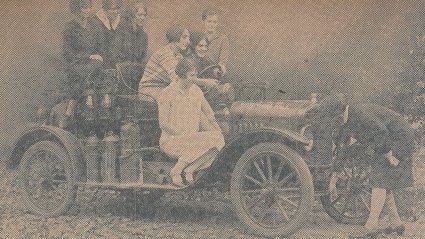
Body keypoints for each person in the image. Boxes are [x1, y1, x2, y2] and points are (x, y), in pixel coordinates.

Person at [309, 95, 415, 236]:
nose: (333, 124)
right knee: (383, 180)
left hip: (399, 138)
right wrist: (334, 176)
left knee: (379, 180)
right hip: (387, 139)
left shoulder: (360, 114)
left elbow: (381, 132)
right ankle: (396, 223)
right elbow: (342, 148)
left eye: (333, 120)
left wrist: (388, 154)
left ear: (339, 114)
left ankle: (371, 226)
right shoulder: (345, 121)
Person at [157, 58, 225, 187]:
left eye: (195, 75)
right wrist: (183, 134)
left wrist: (218, 129)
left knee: (220, 141)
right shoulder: (167, 94)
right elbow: (163, 124)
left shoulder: (196, 91)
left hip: (192, 140)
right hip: (172, 141)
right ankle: (176, 171)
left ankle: (190, 169)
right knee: (207, 140)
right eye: (191, 75)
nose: (195, 78)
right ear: (181, 76)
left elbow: (209, 114)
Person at [63, 0, 103, 123]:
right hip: (76, 63)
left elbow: (100, 46)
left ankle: (95, 106)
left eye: (89, 7)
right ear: (76, 8)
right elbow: (68, 53)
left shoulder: (94, 25)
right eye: (83, 7)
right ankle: (73, 104)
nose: (87, 10)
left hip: (93, 64)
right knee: (85, 72)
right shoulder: (70, 27)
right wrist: (88, 56)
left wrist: (97, 55)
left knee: (100, 68)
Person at [138, 24, 191, 100]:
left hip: (164, 88)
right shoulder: (165, 53)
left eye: (188, 38)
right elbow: (177, 79)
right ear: (175, 36)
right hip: (149, 91)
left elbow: (185, 76)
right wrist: (203, 82)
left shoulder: (179, 56)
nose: (188, 41)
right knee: (179, 98)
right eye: (184, 37)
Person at [113, 1, 148, 93]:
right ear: (132, 16)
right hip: (121, 72)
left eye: (144, 15)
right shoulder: (121, 31)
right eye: (139, 15)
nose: (142, 18)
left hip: (136, 73)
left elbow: (142, 58)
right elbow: (116, 54)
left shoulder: (144, 36)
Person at [90, 0, 124, 68]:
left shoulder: (119, 21)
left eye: (117, 8)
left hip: (116, 62)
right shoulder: (94, 22)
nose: (116, 12)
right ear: (105, 9)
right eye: (113, 9)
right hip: (99, 62)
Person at [201, 8, 229, 76]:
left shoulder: (223, 39)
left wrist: (219, 69)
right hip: (198, 72)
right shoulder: (199, 37)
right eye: (209, 21)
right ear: (203, 22)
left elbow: (223, 62)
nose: (212, 24)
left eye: (215, 22)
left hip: (214, 73)